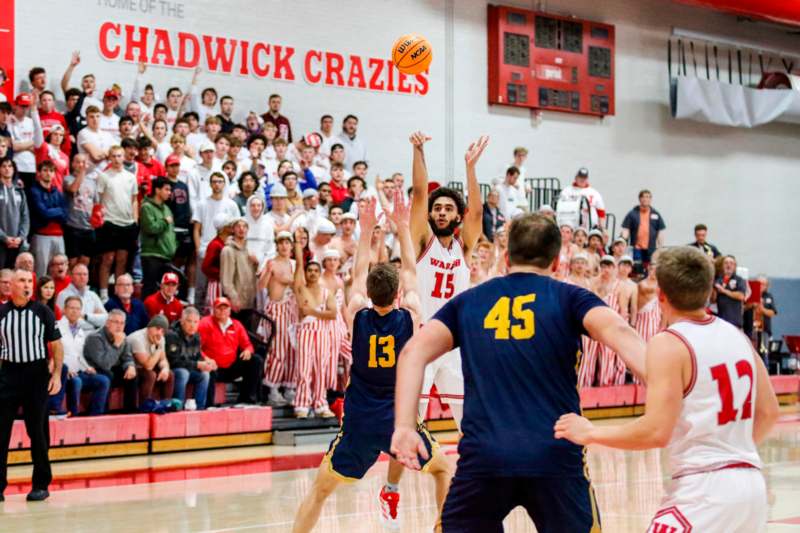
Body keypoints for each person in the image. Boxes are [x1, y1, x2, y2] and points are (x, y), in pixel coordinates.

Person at [391, 213, 646, 533]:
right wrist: (671, 388)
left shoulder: (469, 302)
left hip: (484, 459)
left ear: (507, 257)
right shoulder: (571, 298)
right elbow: (622, 333)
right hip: (555, 454)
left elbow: (413, 353)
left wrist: (403, 425)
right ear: (556, 263)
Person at [554, 246, 779, 533]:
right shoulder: (738, 336)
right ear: (710, 290)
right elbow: (768, 413)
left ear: (661, 295)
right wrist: (732, 456)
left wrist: (591, 432)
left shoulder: (669, 342)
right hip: (751, 486)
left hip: (704, 491)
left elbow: (656, 431)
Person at [292, 191, 452, 533]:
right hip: (398, 420)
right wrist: (403, 226)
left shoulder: (355, 316)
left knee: (320, 491)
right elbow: (410, 269)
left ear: (368, 292)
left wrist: (366, 231)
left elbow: (360, 270)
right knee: (443, 472)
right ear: (396, 295)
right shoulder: (410, 315)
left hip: (360, 422)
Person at [410, 132, 487, 430]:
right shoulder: (422, 242)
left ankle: (476, 475)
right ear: (430, 215)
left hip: (455, 341)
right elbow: (418, 194)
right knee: (413, 422)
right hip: (425, 336)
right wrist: (418, 151)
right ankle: (395, 478)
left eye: (448, 208)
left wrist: (471, 169)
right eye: (437, 208)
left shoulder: (463, 247)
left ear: (458, 216)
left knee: (468, 420)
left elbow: (477, 212)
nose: (441, 212)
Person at [0, 269, 63, 502]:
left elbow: (56, 345)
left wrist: (56, 374)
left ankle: (41, 484)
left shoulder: (42, 311)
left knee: (37, 431)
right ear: (11, 285)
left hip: (36, 374)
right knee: (1, 432)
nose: (26, 285)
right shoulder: (2, 313)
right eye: (22, 281)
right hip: (8, 373)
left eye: (29, 281)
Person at [292, 229, 338, 418]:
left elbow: (333, 314)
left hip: (323, 333)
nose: (312, 273)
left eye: (315, 270)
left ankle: (320, 403)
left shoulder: (327, 292)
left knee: (321, 369)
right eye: (309, 270)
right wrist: (297, 245)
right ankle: (302, 404)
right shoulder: (301, 288)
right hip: (306, 332)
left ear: (319, 273)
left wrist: (312, 312)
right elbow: (298, 267)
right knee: (303, 369)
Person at [52, 296, 111, 416]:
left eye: (78, 309)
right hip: (63, 373)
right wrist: (65, 369)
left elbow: (80, 355)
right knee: (76, 381)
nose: (74, 311)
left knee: (103, 380)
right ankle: (73, 415)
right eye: (71, 308)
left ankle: (95, 415)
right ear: (64, 309)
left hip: (78, 371)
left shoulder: (80, 331)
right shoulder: (56, 326)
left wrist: (87, 367)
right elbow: (53, 352)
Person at [199, 297, 262, 405]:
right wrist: (206, 359)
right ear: (214, 309)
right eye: (219, 308)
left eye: (225, 308)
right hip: (213, 366)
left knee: (256, 360)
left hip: (231, 366)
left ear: (230, 310)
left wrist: (247, 351)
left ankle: (247, 399)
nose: (222, 311)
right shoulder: (205, 323)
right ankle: (209, 404)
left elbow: (248, 345)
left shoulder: (237, 325)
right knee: (208, 367)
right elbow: (197, 347)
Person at [260, 231, 298, 406]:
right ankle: (273, 388)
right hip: (276, 308)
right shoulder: (271, 263)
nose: (284, 246)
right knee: (279, 349)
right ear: (277, 245)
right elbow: (260, 286)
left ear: (291, 245)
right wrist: (268, 272)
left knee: (293, 349)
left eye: (287, 243)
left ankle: (289, 387)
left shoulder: (295, 264)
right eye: (281, 243)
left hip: (293, 309)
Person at [96, 145, 138, 302]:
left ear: (124, 157)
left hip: (127, 223)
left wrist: (135, 220)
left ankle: (119, 292)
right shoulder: (104, 176)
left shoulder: (130, 177)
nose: (116, 159)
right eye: (113, 156)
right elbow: (98, 200)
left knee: (122, 259)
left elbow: (134, 200)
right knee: (107, 259)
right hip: (110, 222)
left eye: (119, 156)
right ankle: (103, 293)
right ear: (109, 158)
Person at [83, 309, 138, 412]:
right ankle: (103, 411)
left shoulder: (122, 336)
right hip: (94, 370)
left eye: (122, 323)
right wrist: (116, 345)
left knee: (131, 374)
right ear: (108, 323)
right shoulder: (95, 338)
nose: (119, 326)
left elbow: (127, 357)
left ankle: (130, 411)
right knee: (108, 374)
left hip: (111, 369)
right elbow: (105, 364)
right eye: (116, 322)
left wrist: (130, 366)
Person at [166, 307, 215, 410]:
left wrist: (206, 362)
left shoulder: (196, 336)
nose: (192, 325)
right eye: (189, 321)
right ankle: (177, 406)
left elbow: (197, 356)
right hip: (171, 369)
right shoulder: (172, 335)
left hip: (188, 368)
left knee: (205, 374)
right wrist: (197, 364)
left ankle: (199, 407)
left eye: (196, 322)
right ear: (182, 321)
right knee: (183, 373)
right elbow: (174, 362)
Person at [28, 160, 68, 276]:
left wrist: (52, 212)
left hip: (59, 236)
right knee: (41, 271)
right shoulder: (34, 191)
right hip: (42, 235)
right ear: (39, 173)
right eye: (45, 170)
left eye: (51, 170)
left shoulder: (58, 192)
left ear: (54, 173)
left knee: (60, 273)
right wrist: (58, 211)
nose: (48, 173)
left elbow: (65, 215)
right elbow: (43, 213)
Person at [140, 177, 177, 298]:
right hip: (152, 254)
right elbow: (151, 228)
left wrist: (174, 245)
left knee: (165, 292)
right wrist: (164, 222)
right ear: (157, 190)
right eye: (166, 189)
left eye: (170, 190)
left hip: (166, 255)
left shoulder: (167, 209)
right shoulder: (146, 207)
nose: (169, 193)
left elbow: (171, 232)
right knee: (150, 290)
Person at [128, 315, 175, 406]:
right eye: (157, 328)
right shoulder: (137, 338)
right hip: (130, 369)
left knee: (169, 374)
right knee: (150, 375)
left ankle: (166, 405)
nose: (159, 333)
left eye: (163, 331)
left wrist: (165, 369)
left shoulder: (161, 338)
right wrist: (158, 349)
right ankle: (145, 407)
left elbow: (163, 359)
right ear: (149, 327)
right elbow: (148, 366)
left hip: (144, 368)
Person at [62, 154, 97, 267]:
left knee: (85, 261)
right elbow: (73, 189)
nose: (81, 165)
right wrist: (83, 171)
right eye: (78, 162)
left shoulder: (92, 182)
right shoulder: (67, 179)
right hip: (73, 226)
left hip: (88, 227)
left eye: (83, 162)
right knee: (72, 262)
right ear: (72, 164)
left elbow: (96, 202)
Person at [220, 217, 258, 316]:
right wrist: (233, 298)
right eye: (238, 226)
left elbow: (254, 275)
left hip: (249, 302)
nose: (241, 229)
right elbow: (226, 280)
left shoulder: (248, 249)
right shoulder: (228, 250)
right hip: (237, 303)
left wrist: (256, 264)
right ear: (233, 229)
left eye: (244, 226)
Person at [620, 189, 666, 266]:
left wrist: (660, 247)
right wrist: (623, 241)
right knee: (637, 267)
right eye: (643, 197)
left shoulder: (656, 214)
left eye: (648, 197)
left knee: (650, 267)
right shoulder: (632, 214)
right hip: (636, 247)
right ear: (640, 199)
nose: (646, 199)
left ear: (651, 199)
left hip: (651, 248)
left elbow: (660, 231)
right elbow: (626, 229)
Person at [56, 263, 108, 328]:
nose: (82, 277)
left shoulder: (93, 295)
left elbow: (106, 320)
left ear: (88, 277)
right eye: (79, 274)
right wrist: (94, 321)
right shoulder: (63, 295)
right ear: (71, 277)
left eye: (85, 274)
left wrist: (86, 316)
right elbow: (66, 322)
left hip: (92, 336)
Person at [0, 157, 30, 268]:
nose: (7, 169)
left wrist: (21, 237)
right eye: (3, 166)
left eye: (10, 166)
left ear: (14, 169)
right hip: (1, 242)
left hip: (17, 243)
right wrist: (4, 238)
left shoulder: (19, 191)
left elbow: (25, 217)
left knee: (15, 276)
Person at [713, 255, 746, 329]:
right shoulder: (718, 280)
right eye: (726, 263)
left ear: (735, 266)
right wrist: (714, 290)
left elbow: (741, 296)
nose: (728, 265)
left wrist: (723, 291)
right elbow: (713, 300)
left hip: (734, 321)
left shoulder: (739, 280)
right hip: (720, 320)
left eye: (731, 263)